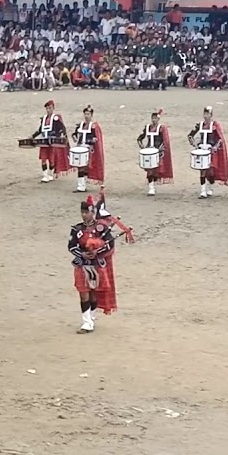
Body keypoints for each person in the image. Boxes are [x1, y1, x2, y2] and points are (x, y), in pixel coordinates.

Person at [69, 195, 127, 333]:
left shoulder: (102, 228)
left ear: (92, 212)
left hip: (96, 264)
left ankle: (92, 316)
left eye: (86, 212)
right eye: (82, 212)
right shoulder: (77, 229)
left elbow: (109, 245)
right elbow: (71, 246)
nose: (84, 215)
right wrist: (82, 254)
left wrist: (96, 251)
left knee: (93, 293)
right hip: (82, 264)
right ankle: (86, 322)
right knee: (83, 293)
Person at [188, 105, 228, 199]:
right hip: (202, 150)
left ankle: (210, 185)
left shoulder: (214, 126)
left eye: (208, 114)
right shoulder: (200, 125)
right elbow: (190, 136)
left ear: (211, 115)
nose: (206, 115)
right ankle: (203, 191)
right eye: (205, 113)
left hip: (210, 151)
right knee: (202, 170)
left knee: (210, 172)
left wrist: (214, 147)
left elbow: (220, 139)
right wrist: (195, 145)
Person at [136, 109, 174, 196]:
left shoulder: (161, 128)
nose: (153, 120)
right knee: (149, 170)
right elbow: (140, 138)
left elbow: (165, 140)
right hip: (149, 151)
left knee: (156, 170)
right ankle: (151, 188)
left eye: (155, 118)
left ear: (158, 119)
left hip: (158, 151)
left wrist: (161, 148)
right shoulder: (148, 127)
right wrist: (142, 146)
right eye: (152, 118)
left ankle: (154, 182)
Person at [34, 100, 70, 183]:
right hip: (44, 142)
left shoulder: (56, 119)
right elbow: (40, 130)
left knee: (52, 159)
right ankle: (45, 175)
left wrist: (61, 135)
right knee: (43, 159)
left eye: (49, 108)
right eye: (47, 108)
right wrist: (32, 136)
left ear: (53, 108)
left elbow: (62, 128)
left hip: (53, 142)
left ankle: (50, 173)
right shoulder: (43, 119)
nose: (48, 110)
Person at [71, 105, 106, 193]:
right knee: (80, 167)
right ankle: (81, 185)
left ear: (91, 115)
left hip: (88, 149)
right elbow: (75, 134)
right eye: (85, 114)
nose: (86, 116)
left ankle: (82, 185)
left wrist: (90, 140)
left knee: (84, 167)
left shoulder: (94, 127)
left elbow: (96, 139)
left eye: (88, 114)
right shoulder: (81, 125)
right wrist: (75, 137)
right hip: (80, 148)